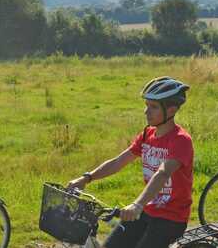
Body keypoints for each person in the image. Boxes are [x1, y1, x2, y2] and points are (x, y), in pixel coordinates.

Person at [68, 77, 194, 248]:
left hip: (171, 218)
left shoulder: (180, 140)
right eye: (147, 105)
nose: (146, 111)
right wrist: (86, 178)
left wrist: (137, 204)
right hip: (146, 211)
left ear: (171, 110)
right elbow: (119, 161)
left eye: (153, 107)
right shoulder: (147, 135)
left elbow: (163, 173)